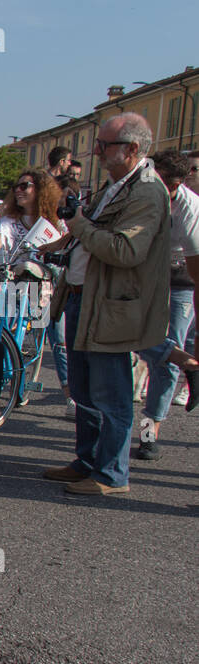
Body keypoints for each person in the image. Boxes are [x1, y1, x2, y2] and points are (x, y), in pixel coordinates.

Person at [42, 113, 171, 496]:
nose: (96, 152)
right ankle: (87, 462)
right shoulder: (117, 184)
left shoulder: (147, 192)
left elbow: (126, 250)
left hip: (110, 307)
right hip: (83, 298)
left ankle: (112, 476)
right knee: (84, 392)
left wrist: (79, 225)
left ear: (132, 149)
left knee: (111, 395)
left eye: (104, 145)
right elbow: (89, 234)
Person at [0, 168, 72, 413]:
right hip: (15, 284)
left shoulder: (56, 222)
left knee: (60, 339)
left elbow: (67, 244)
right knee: (1, 330)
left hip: (50, 288)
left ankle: (69, 395)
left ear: (41, 190)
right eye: (17, 186)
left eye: (26, 186)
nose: (18, 190)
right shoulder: (10, 220)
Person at [132, 149, 199, 459]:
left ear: (175, 186)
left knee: (165, 357)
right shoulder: (138, 191)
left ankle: (149, 433)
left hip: (182, 282)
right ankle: (186, 361)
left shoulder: (190, 207)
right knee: (128, 337)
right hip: (143, 278)